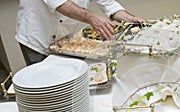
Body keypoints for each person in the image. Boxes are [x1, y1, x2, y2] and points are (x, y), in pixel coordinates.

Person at [15, 0, 145, 65]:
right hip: (36, 36)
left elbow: (108, 3)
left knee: (66, 79)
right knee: (43, 86)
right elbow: (59, 3)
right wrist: (92, 18)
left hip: (64, 38)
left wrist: (130, 19)